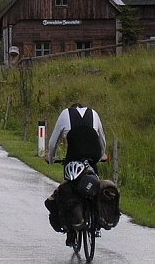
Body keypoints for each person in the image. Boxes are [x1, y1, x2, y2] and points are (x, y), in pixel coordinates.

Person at [44, 103, 107, 246]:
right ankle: (95, 218)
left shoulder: (65, 114)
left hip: (74, 155)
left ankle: (71, 232)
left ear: (72, 108)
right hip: (93, 155)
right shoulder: (94, 113)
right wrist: (101, 155)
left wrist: (51, 158)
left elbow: (53, 141)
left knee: (70, 187)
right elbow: (102, 139)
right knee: (93, 180)